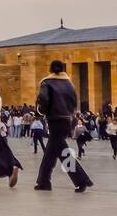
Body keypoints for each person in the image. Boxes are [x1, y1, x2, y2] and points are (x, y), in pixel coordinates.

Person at [34, 60, 94, 193]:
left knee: (60, 151)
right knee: (53, 152)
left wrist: (40, 111)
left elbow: (43, 99)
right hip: (67, 120)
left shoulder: (47, 83)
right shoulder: (69, 84)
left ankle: (82, 180)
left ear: (50, 69)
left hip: (55, 120)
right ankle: (44, 181)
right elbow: (73, 102)